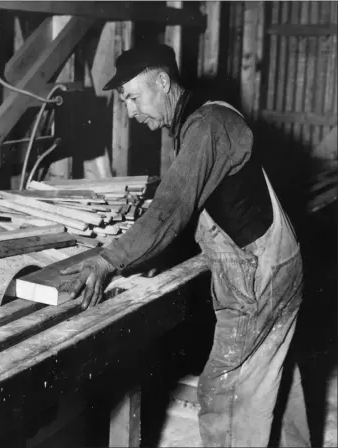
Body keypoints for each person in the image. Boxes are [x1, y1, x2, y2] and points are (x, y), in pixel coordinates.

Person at [59, 42, 311, 447]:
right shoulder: (203, 118)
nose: (131, 111)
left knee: (225, 393)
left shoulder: (205, 126)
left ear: (162, 82)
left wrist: (109, 260)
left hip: (259, 278)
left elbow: (171, 208)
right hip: (280, 264)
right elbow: (199, 205)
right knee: (273, 378)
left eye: (133, 97)